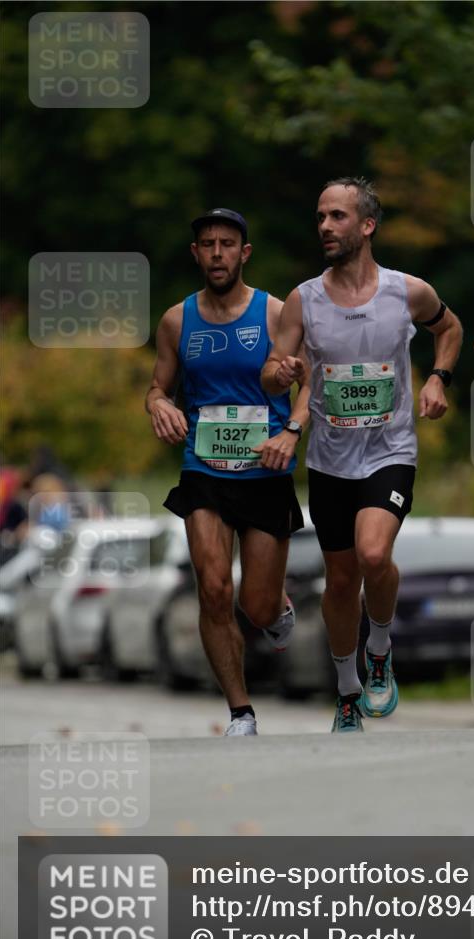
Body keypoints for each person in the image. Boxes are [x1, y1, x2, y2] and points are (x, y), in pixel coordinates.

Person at [261, 178, 462, 732]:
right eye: (320, 216)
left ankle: (380, 647)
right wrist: (284, 372)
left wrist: (440, 379)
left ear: (367, 226)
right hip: (329, 460)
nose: (325, 226)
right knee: (342, 580)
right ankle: (348, 690)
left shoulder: (406, 291)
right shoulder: (305, 298)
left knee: (375, 555)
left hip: (390, 451)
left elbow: (451, 328)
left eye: (337, 217)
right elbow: (273, 374)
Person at [146, 207, 309, 736]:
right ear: (195, 254)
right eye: (208, 244)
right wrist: (158, 406)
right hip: (203, 470)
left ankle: (273, 609)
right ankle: (241, 711)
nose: (218, 253)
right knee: (212, 588)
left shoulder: (275, 313)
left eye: (228, 244)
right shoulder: (176, 321)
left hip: (264, 472)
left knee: (254, 605)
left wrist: (291, 432)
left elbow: (309, 382)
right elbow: (158, 387)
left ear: (245, 253)